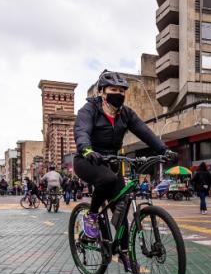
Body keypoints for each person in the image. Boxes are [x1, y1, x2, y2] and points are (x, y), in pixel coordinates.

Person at [73, 69, 172, 239]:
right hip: (87, 159)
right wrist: (87, 149)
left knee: (121, 210)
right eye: (113, 90)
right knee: (107, 179)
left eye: (121, 91)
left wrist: (164, 150)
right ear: (102, 91)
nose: (118, 94)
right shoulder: (90, 109)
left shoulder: (126, 114)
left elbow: (145, 132)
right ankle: (92, 216)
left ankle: (126, 257)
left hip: (112, 161)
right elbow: (82, 131)